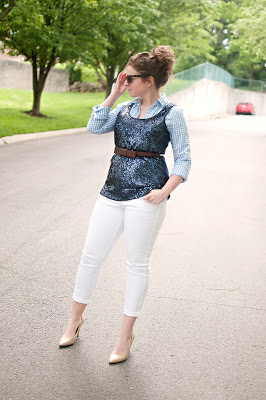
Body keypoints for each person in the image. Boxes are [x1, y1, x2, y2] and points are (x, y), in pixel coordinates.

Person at [59, 45, 191, 364]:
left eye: (129, 78)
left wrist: (165, 190)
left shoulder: (172, 113)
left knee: (136, 264)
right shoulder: (124, 109)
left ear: (148, 80)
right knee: (90, 257)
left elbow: (184, 158)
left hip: (147, 195)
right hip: (111, 191)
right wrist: (114, 94)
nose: (124, 81)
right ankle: (74, 321)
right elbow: (94, 126)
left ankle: (124, 335)